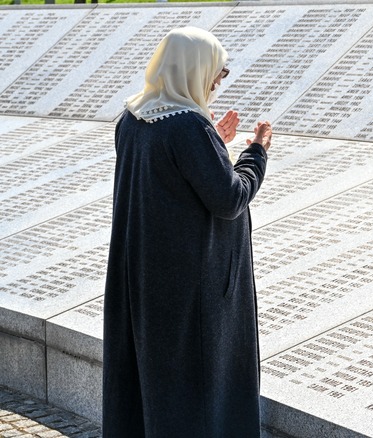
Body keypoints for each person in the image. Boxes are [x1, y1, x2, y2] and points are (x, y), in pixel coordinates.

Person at [103, 27, 271, 437]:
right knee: (195, 392)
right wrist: (256, 153)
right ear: (192, 70)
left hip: (145, 275)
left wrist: (215, 141)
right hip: (192, 291)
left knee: (152, 384)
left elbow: (175, 176)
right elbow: (229, 198)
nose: (218, 80)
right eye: (217, 72)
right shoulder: (188, 128)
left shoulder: (132, 117)